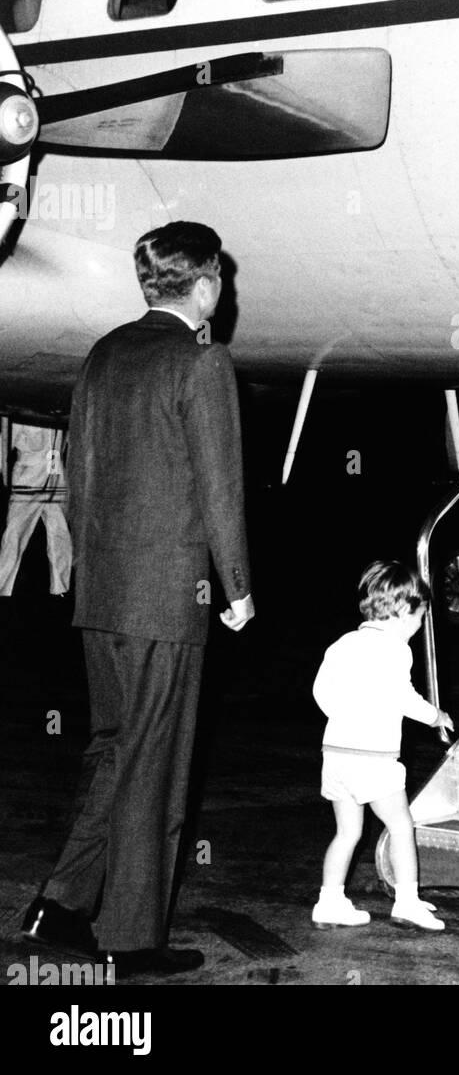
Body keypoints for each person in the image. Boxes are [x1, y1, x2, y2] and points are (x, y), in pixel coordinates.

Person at [22, 221, 254, 978]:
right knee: (154, 763)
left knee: (113, 751)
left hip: (105, 595)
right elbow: (221, 488)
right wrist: (239, 589)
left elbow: (78, 473)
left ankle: (58, 906)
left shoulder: (105, 355)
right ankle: (128, 937)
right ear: (207, 284)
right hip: (164, 601)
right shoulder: (202, 361)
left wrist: (93, 574)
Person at [311, 559, 453, 932]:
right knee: (402, 825)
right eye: (420, 617)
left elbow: (320, 692)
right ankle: (406, 902)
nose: (420, 626)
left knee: (347, 833)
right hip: (374, 759)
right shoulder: (395, 650)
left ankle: (329, 902)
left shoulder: (342, 643)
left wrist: (345, 716)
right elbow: (404, 699)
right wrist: (436, 716)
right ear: (404, 611)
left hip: (337, 754)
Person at [0, 424, 72, 598]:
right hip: (28, 477)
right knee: (14, 534)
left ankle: (60, 588)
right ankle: (2, 585)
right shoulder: (22, 408)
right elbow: (4, 443)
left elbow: (65, 440)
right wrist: (4, 476)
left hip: (54, 474)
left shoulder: (56, 406)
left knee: (60, 534)